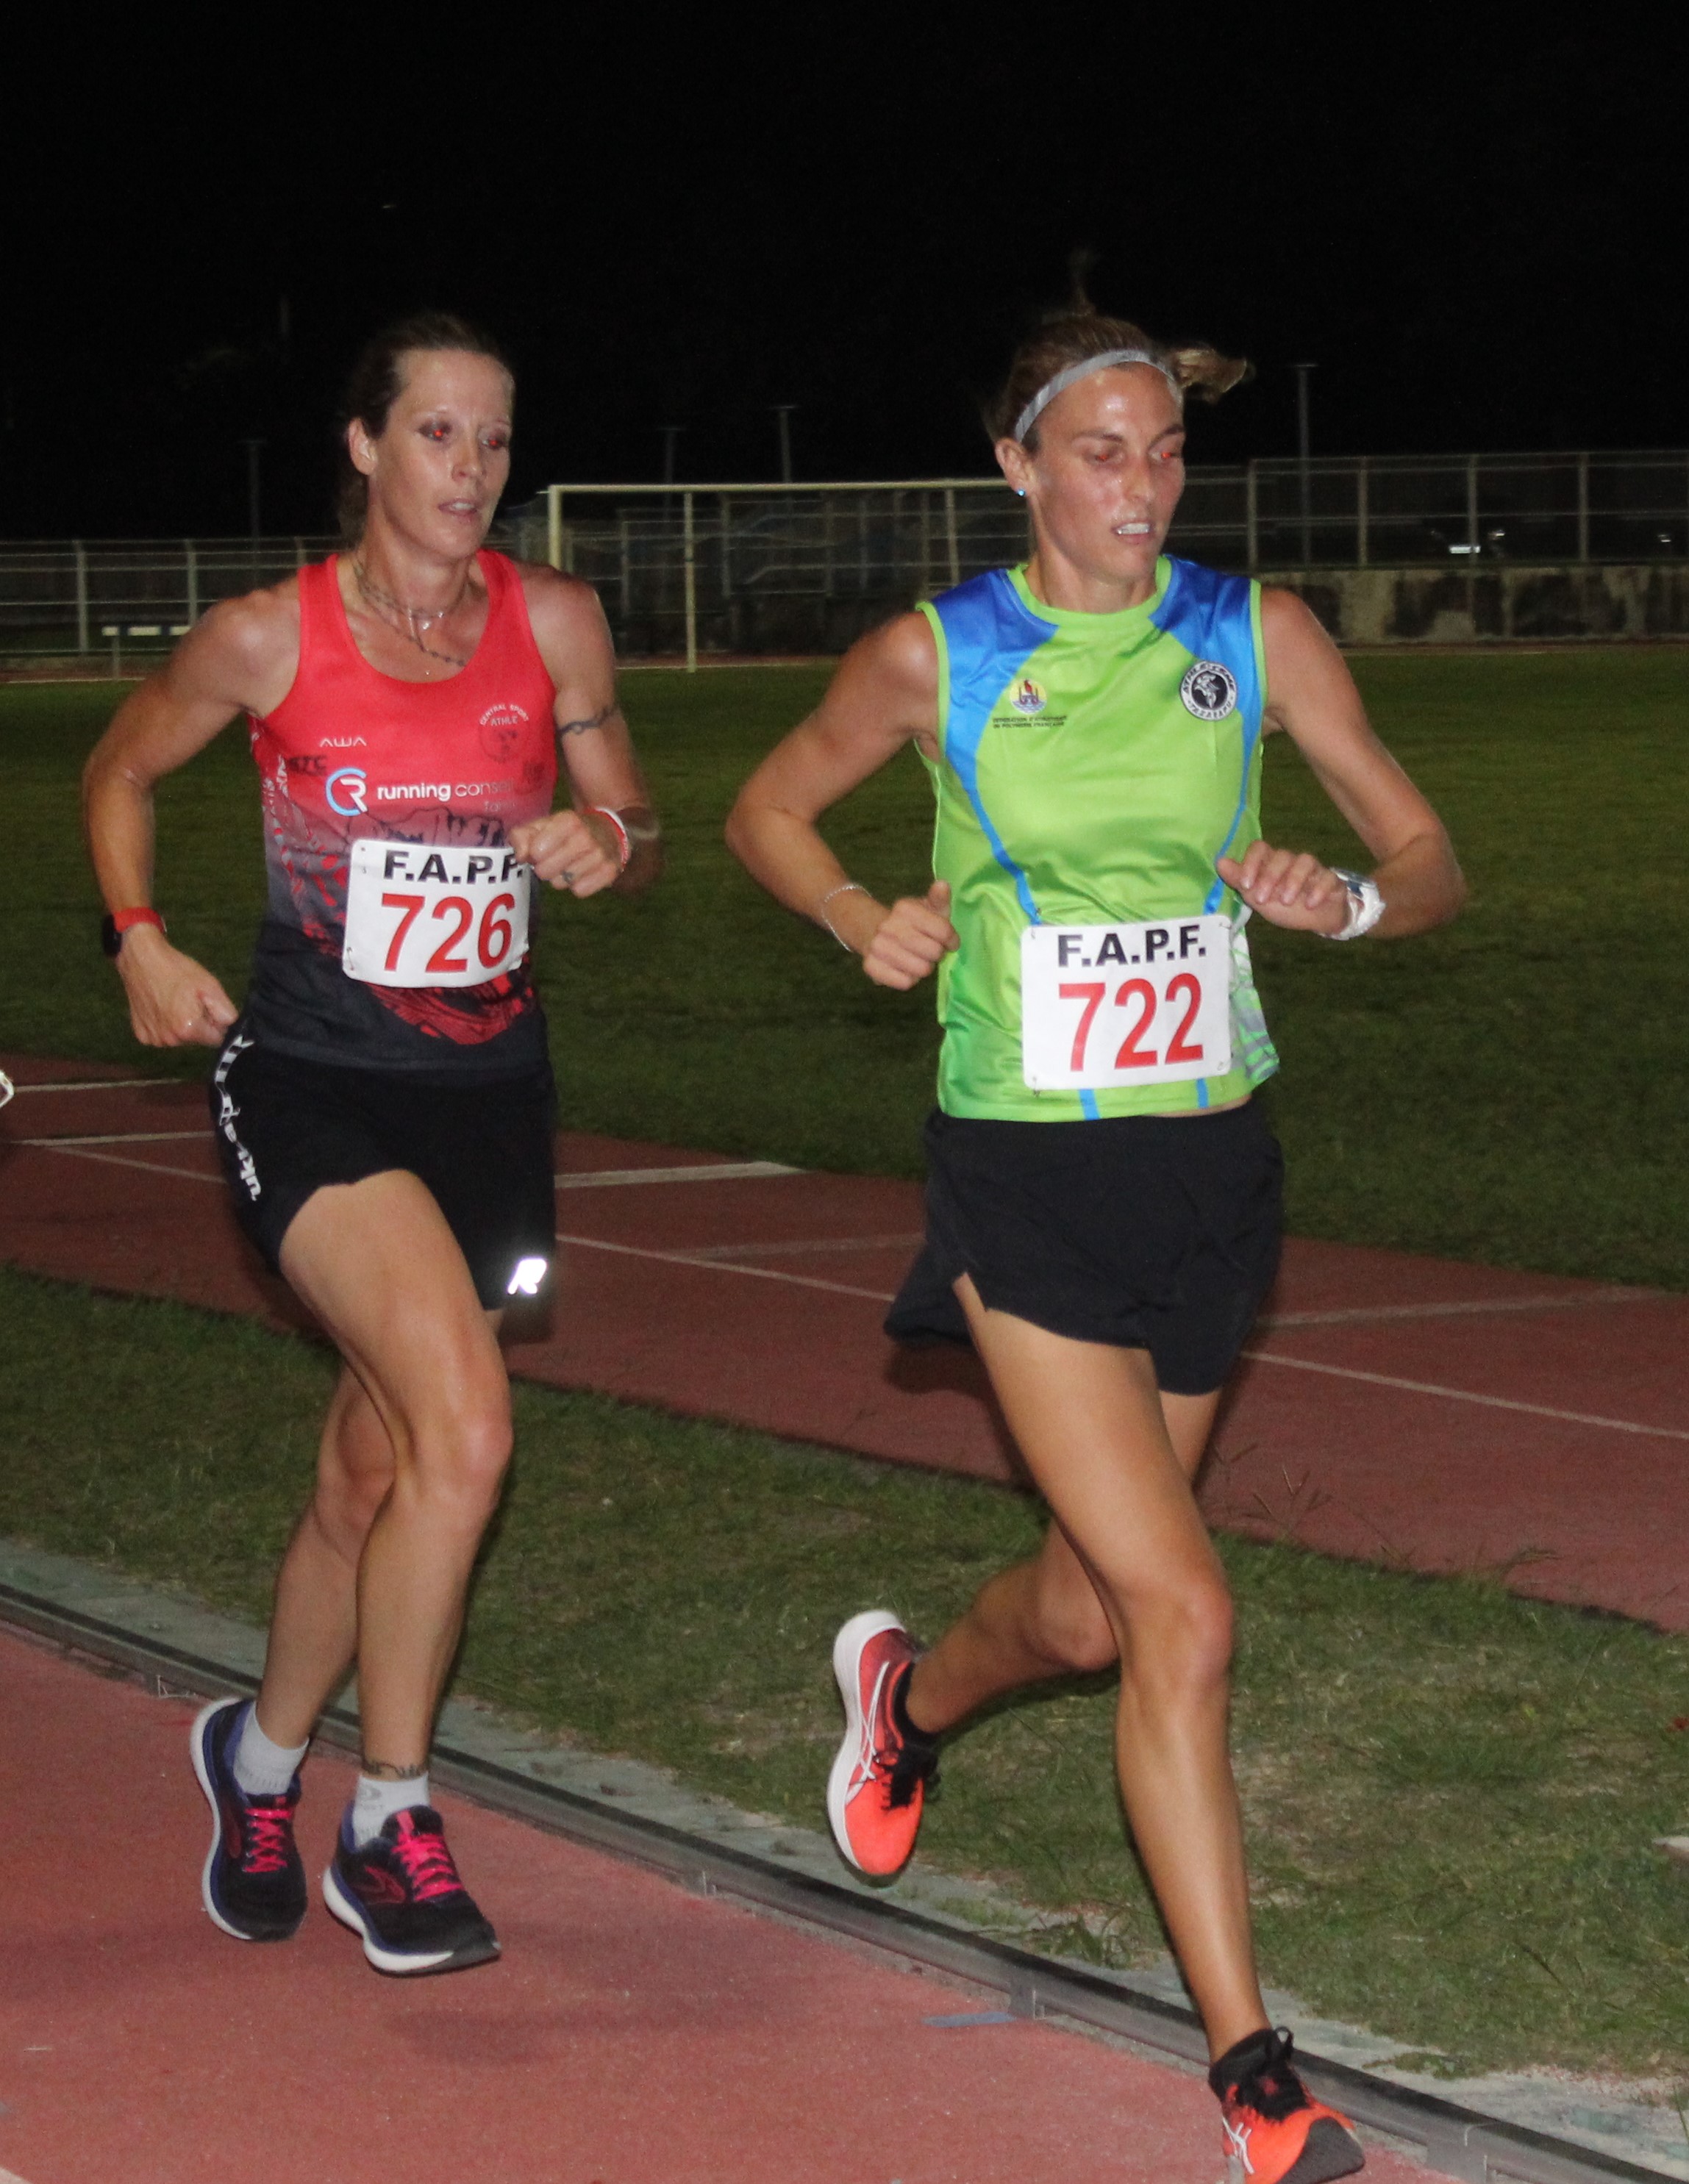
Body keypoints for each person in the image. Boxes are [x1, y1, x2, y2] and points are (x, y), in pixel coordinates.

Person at [726, 295, 1463, 2181]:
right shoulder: (938, 655)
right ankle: (1255, 2074)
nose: (1144, 486)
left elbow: (1429, 856)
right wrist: (852, 916)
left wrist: (1348, 901)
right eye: (1103, 451)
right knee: (1184, 1611)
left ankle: (906, 1700)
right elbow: (768, 806)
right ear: (1019, 467)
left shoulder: (1254, 633)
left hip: (1215, 1175)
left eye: (1166, 451)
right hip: (1026, 1173)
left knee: (1082, 1604)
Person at [82, 312, 660, 1977]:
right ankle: (386, 1819)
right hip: (314, 1079)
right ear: (362, 447)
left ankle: (255, 1762)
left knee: (371, 1468)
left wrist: (602, 836)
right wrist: (137, 935)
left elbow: (640, 824)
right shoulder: (271, 637)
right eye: (435, 435)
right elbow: (122, 769)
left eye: (492, 439)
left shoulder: (555, 624)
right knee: (464, 1436)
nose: (470, 470)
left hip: (486, 1092)